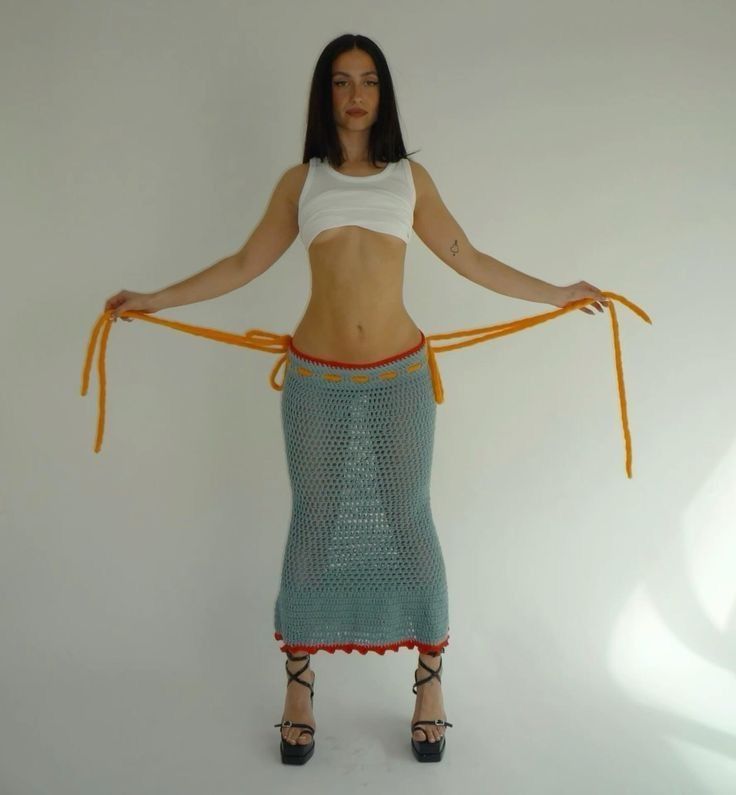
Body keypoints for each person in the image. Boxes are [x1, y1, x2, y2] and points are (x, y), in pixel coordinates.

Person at [102, 34, 609, 765]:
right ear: (325, 94)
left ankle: (429, 684)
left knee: (410, 520)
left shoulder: (409, 179)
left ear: (383, 93)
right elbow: (243, 263)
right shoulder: (301, 182)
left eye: (368, 80)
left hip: (400, 378)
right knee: (314, 523)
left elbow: (469, 257)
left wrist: (558, 292)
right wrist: (154, 299)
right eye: (341, 82)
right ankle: (299, 687)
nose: (356, 95)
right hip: (318, 380)